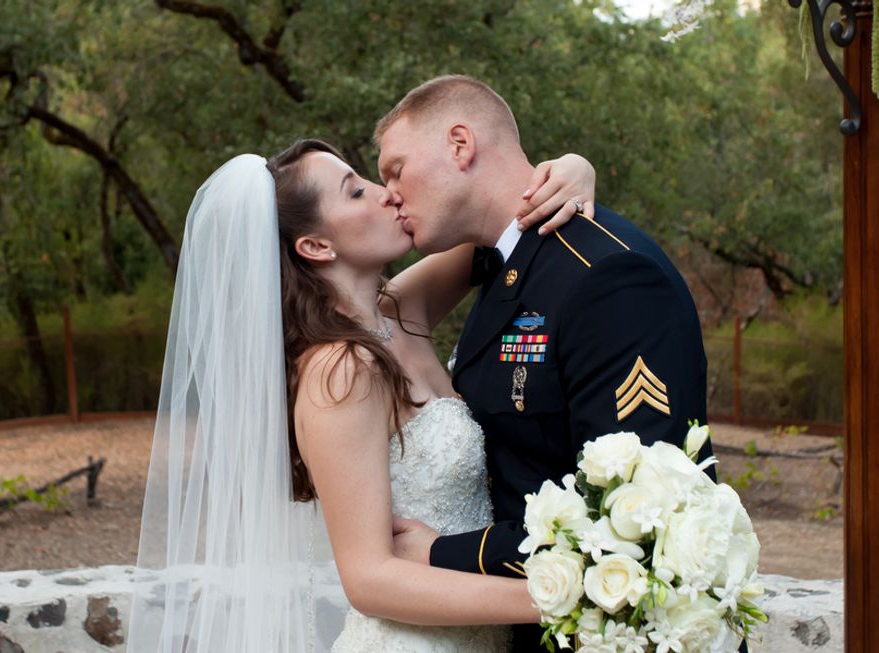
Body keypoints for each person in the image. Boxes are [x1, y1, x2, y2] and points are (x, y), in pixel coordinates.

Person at [126, 135, 598, 651]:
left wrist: (574, 170)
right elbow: (369, 580)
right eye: (355, 192)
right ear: (316, 246)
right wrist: (556, 598)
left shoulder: (402, 314)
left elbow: (502, 219)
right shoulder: (340, 371)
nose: (387, 194)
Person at [378, 75, 716, 652]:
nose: (389, 194)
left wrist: (441, 553)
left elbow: (638, 520)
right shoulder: (504, 260)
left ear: (460, 144)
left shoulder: (608, 277)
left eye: (395, 170)